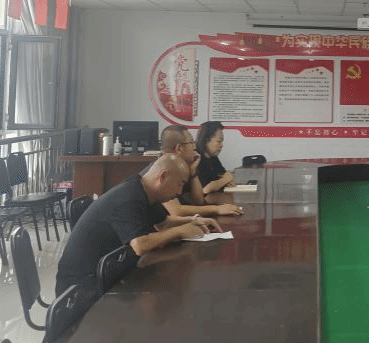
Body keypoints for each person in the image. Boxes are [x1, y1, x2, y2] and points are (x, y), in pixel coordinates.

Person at [55, 154, 220, 296]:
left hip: (108, 272)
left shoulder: (144, 189)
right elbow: (140, 245)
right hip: (80, 289)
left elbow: (164, 222)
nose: (179, 192)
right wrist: (179, 232)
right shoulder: (128, 197)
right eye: (179, 184)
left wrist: (193, 220)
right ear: (163, 177)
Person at [156, 124, 243, 219]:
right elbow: (176, 211)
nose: (195, 147)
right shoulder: (164, 169)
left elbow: (198, 201)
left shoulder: (182, 167)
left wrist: (193, 172)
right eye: (191, 142)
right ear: (179, 148)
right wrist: (217, 209)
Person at [196, 120, 236, 199]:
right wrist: (225, 180)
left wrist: (226, 181)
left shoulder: (212, 157)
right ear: (206, 140)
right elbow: (205, 189)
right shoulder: (196, 158)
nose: (221, 145)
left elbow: (224, 174)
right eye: (219, 141)